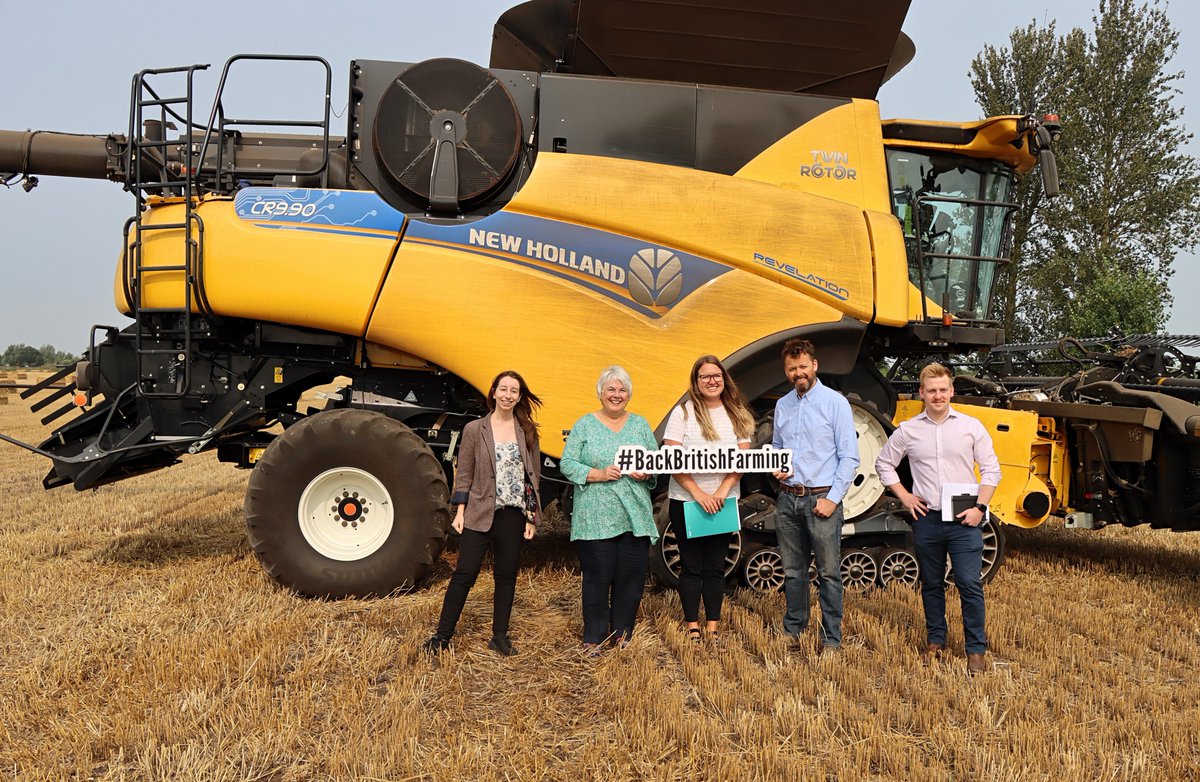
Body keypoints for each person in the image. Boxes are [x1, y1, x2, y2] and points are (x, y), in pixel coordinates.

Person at [874, 362, 1001, 674]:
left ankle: (975, 650)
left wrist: (980, 508)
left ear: (952, 390)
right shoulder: (908, 430)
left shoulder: (971, 427)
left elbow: (991, 470)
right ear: (922, 392)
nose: (938, 395)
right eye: (932, 390)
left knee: (969, 584)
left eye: (943, 389)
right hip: (927, 519)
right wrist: (904, 496)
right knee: (931, 584)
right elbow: (883, 463)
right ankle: (936, 641)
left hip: (964, 520)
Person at [425, 370, 541, 657]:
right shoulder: (475, 429)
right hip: (479, 512)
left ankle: (499, 637)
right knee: (464, 574)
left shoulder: (527, 431)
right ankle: (442, 636)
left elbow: (533, 477)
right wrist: (460, 512)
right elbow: (464, 473)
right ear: (493, 392)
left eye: (514, 391)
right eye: (503, 389)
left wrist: (531, 516)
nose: (508, 395)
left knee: (506, 575)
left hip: (513, 514)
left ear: (519, 397)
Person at [560, 365, 658, 653]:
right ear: (600, 393)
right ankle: (594, 636)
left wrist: (647, 473)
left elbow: (656, 464)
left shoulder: (640, 425)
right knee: (597, 578)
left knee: (630, 579)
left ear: (629, 394)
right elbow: (567, 463)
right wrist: (598, 474)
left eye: (622, 390)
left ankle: (622, 633)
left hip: (633, 515)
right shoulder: (585, 425)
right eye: (611, 389)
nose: (617, 394)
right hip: (596, 516)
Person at [770, 338, 858, 652]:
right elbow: (777, 447)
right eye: (792, 368)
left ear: (815, 365)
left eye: (803, 366)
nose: (798, 373)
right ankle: (794, 629)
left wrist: (832, 499)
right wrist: (776, 465)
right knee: (793, 572)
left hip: (822, 498)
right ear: (786, 371)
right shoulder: (783, 405)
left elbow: (849, 457)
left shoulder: (836, 403)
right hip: (787, 499)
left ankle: (831, 638)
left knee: (829, 573)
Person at [662, 355, 754, 647]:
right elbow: (671, 457)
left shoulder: (737, 413)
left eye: (716, 375)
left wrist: (721, 492)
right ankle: (692, 625)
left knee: (715, 566)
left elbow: (743, 459)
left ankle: (712, 625)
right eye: (705, 376)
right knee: (690, 566)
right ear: (696, 382)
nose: (712, 381)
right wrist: (699, 494)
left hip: (723, 502)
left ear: (724, 379)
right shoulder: (683, 414)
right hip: (686, 501)